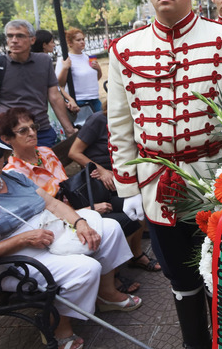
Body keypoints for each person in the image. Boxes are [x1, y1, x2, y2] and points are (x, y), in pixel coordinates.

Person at [107, 0, 222, 349]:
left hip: (217, 180)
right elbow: (119, 123)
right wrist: (128, 187)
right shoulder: (124, 49)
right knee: (180, 276)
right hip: (157, 184)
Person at [0, 130, 139, 349]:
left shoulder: (14, 177)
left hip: (49, 233)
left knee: (109, 228)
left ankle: (107, 294)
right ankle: (58, 327)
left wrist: (79, 222)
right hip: (9, 260)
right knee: (85, 268)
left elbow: (52, 205)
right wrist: (21, 239)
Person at [68, 108, 161, 273]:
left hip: (121, 179)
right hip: (101, 184)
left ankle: (136, 254)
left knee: (143, 203)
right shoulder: (99, 120)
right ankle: (123, 264)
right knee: (134, 208)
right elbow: (74, 152)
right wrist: (101, 171)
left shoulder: (136, 118)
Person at [0, 20, 77, 147]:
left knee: (44, 165)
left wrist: (69, 130)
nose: (14, 40)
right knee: (13, 167)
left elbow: (54, 97)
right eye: (10, 36)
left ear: (32, 40)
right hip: (9, 134)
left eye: (20, 36)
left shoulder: (44, 61)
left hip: (40, 130)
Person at [56, 28, 103, 112]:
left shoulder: (88, 57)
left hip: (95, 98)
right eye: (78, 40)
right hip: (79, 101)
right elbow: (60, 84)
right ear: (70, 43)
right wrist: (65, 68)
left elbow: (95, 79)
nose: (82, 42)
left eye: (83, 39)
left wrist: (98, 69)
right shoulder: (65, 59)